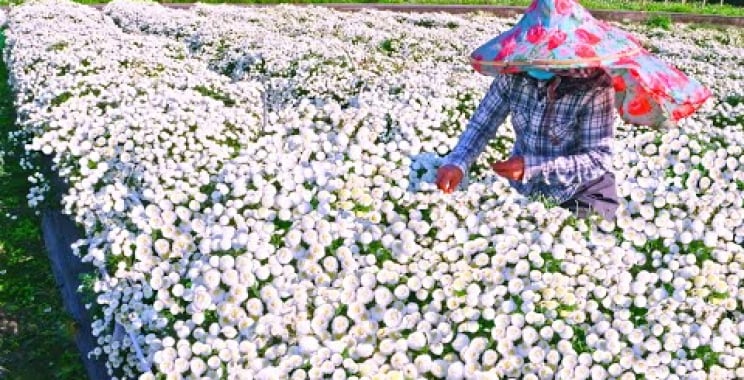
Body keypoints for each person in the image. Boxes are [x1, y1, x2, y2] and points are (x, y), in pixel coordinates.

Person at [435, 0, 711, 221]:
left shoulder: (594, 87)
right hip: (529, 192)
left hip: (582, 193)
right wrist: (457, 162)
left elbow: (597, 159)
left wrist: (534, 167)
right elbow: (482, 125)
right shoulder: (513, 75)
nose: (540, 63)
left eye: (549, 57)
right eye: (535, 54)